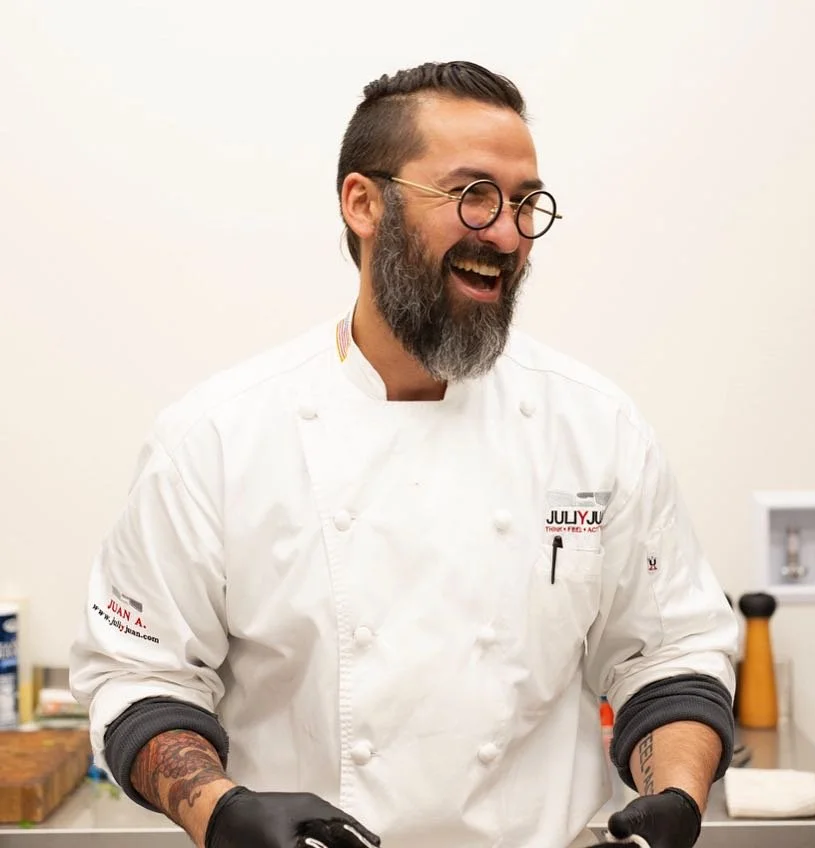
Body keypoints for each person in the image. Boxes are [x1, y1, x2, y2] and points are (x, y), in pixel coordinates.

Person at [70, 60, 738, 848]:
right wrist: (219, 810)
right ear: (363, 203)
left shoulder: (595, 426)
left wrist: (679, 799)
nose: (507, 231)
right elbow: (140, 673)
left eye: (526, 203)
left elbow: (669, 651)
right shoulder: (218, 437)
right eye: (472, 194)